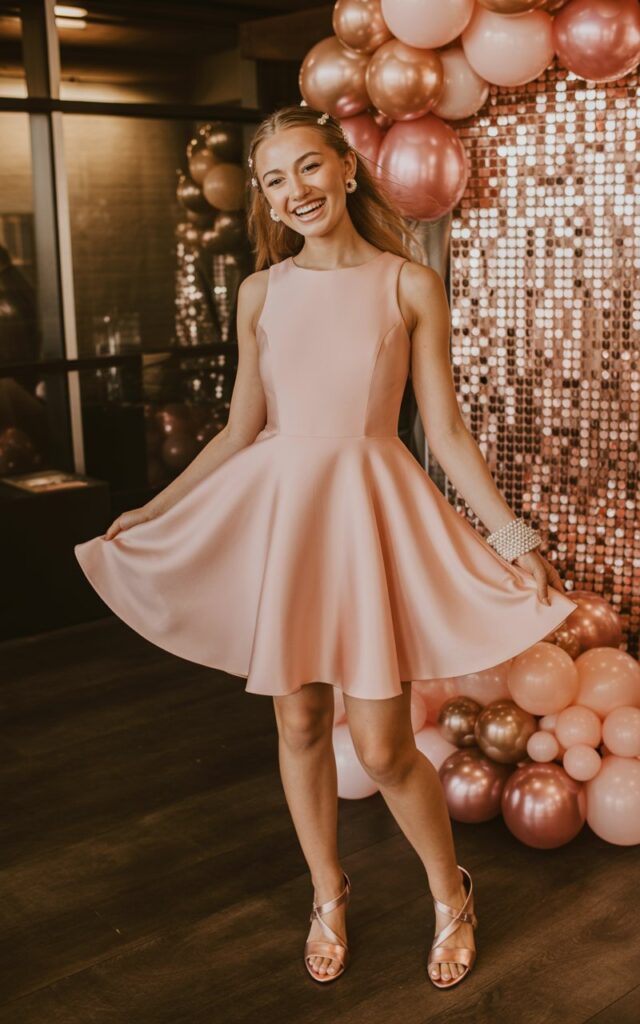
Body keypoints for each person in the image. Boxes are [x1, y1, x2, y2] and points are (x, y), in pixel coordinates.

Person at [75, 105, 579, 990]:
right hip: (287, 517)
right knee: (299, 718)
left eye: (308, 168)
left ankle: (448, 893)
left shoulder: (408, 283)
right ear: (265, 199)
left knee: (384, 748)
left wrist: (512, 537)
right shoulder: (261, 293)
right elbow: (239, 431)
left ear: (346, 167)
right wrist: (150, 511)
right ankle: (327, 892)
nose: (294, 190)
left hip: (366, 511)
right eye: (274, 179)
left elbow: (448, 433)